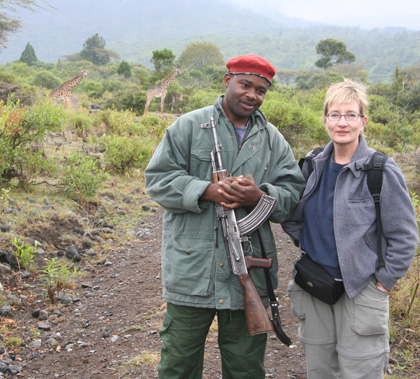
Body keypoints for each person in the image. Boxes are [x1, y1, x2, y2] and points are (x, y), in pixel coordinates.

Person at [144, 54, 305, 378]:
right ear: (227, 81)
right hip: (192, 270)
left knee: (245, 368)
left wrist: (259, 195)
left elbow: (293, 193)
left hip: (249, 271)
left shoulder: (273, 139)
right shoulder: (188, 126)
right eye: (245, 84)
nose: (252, 95)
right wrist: (206, 190)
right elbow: (157, 180)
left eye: (261, 90)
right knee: (178, 364)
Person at [282, 79, 419, 379]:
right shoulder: (312, 165)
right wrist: (307, 244)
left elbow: (405, 236)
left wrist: (382, 284)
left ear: (363, 121)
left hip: (361, 291)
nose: (342, 122)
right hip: (315, 287)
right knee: (320, 371)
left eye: (350, 115)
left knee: (361, 372)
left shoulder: (380, 170)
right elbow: (292, 215)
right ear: (325, 119)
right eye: (335, 114)